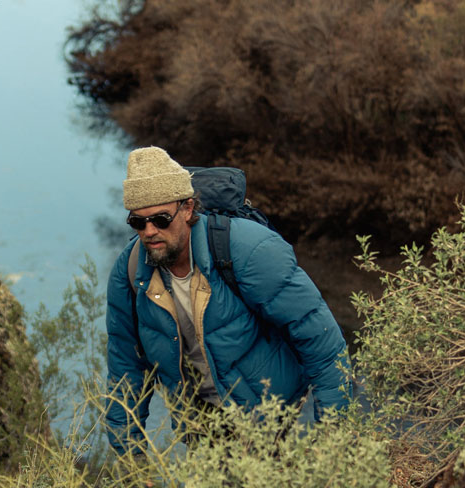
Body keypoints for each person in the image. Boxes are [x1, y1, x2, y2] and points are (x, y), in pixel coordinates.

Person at [105, 146, 350, 454]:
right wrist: (131, 456)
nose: (149, 231)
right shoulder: (129, 271)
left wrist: (332, 437)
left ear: (187, 208)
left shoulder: (248, 249)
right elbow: (125, 365)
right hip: (202, 419)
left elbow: (323, 345)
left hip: (273, 411)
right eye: (138, 222)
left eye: (161, 219)